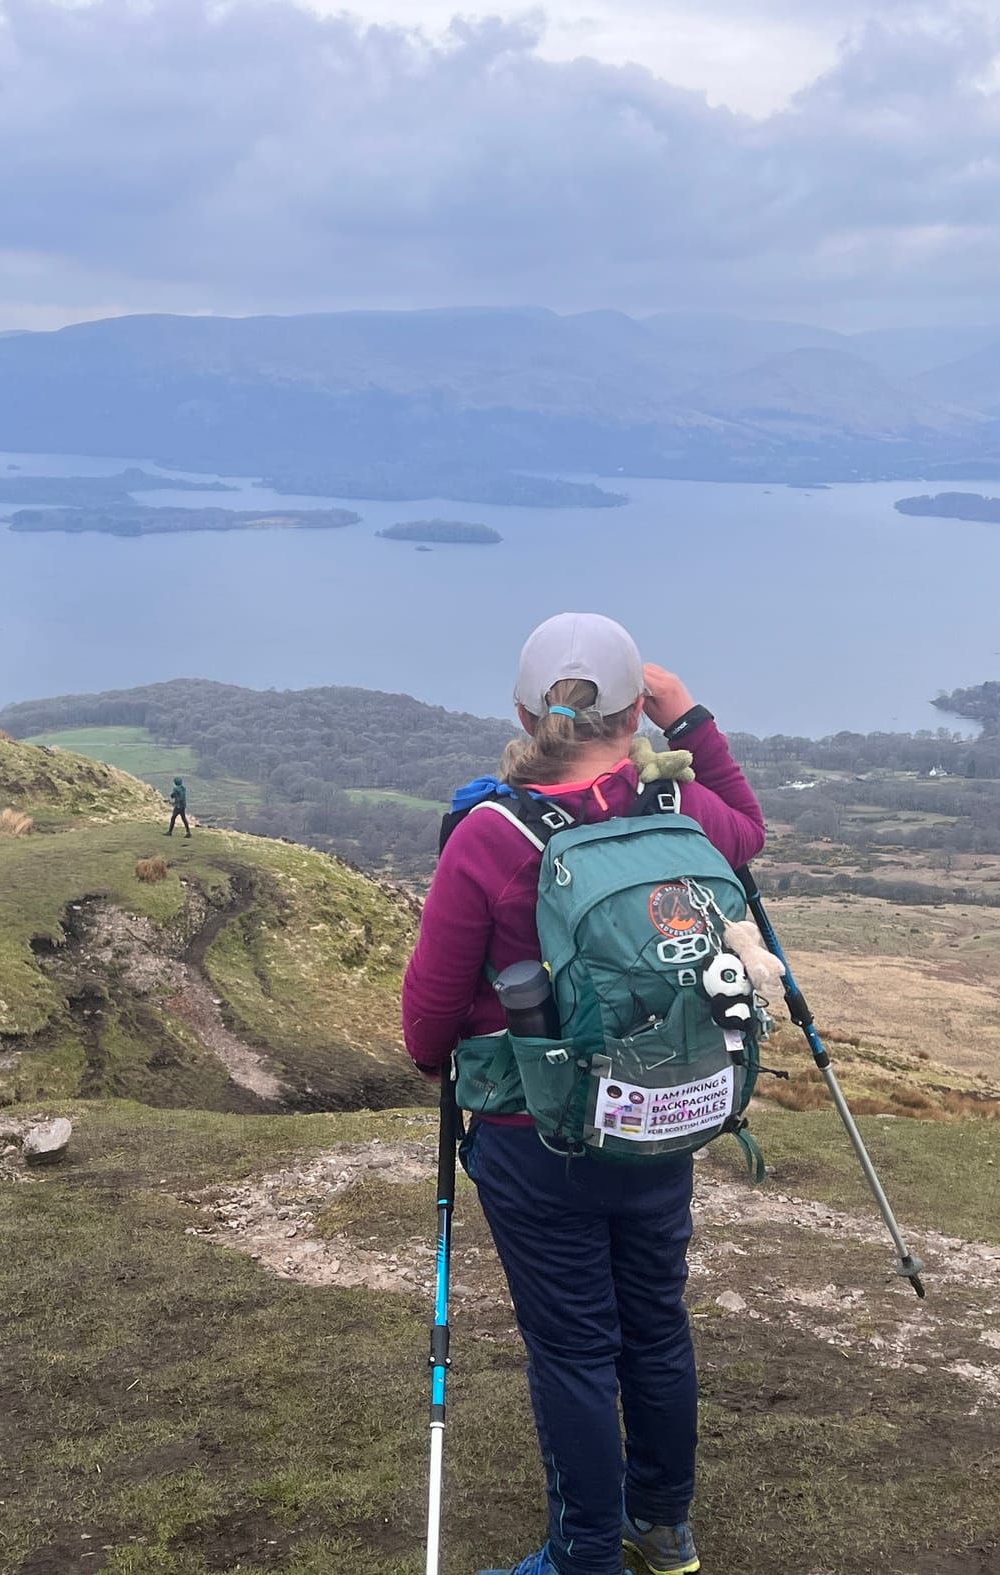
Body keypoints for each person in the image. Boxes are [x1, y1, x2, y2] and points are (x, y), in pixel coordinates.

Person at [402, 611, 763, 1575]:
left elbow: (425, 1026)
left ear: (523, 709)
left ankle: (583, 1556)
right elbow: (750, 832)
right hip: (664, 1117)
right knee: (654, 1324)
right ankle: (664, 1528)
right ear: (635, 709)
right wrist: (694, 724)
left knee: (572, 1349)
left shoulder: (490, 833)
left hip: (539, 1133)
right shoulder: (679, 810)